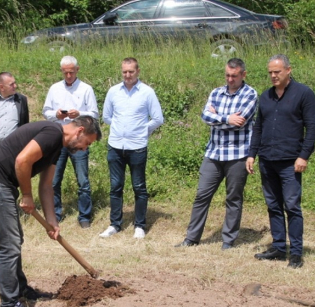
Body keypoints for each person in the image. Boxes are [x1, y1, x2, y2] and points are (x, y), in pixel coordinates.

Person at [0, 116, 101, 307]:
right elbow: (22, 160)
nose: (84, 149)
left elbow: (46, 186)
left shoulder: (56, 146)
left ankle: (20, 290)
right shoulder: (52, 132)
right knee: (10, 244)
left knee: (15, 240)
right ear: (79, 131)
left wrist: (52, 221)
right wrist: (26, 195)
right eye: (87, 143)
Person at [175, 58, 257, 250]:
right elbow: (205, 116)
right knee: (202, 195)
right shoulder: (216, 92)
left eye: (234, 76)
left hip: (238, 154)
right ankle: (192, 238)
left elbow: (241, 121)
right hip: (214, 153)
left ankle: (228, 240)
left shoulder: (250, 94)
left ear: (243, 75)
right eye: (227, 75)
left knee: (233, 198)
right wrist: (227, 118)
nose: (230, 79)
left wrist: (217, 117)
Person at [246, 54, 315, 269]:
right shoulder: (265, 96)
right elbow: (258, 127)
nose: (273, 76)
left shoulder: (304, 94)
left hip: (290, 161)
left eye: (277, 71)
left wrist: (303, 156)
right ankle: (278, 247)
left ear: (288, 70)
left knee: (292, 206)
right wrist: (252, 154)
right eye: (270, 72)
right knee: (273, 205)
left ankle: (295, 253)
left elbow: (312, 127)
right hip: (267, 159)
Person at [100, 57, 163, 239]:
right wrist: (120, 128)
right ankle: (115, 224)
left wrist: (142, 131)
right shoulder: (113, 91)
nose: (127, 75)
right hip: (115, 146)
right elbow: (106, 117)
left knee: (139, 186)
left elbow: (158, 118)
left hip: (137, 147)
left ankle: (140, 225)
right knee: (115, 187)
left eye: (131, 72)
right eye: (124, 72)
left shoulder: (147, 92)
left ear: (138, 71)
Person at [42, 56, 99, 228]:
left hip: (79, 141)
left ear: (77, 69)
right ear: (61, 71)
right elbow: (46, 111)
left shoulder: (86, 89)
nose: (68, 75)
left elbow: (95, 114)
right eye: (65, 72)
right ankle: (56, 214)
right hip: (59, 139)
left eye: (71, 72)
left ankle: (84, 217)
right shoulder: (54, 88)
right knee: (53, 181)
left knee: (83, 181)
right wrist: (57, 115)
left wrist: (79, 114)